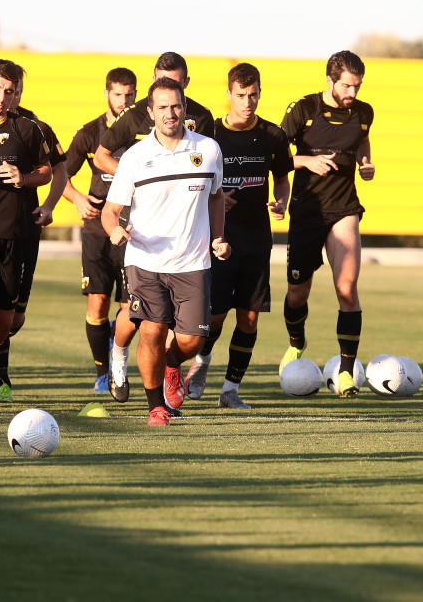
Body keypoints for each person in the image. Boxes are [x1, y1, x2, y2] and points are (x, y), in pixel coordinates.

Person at [101, 77, 228, 427]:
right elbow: (110, 211)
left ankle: (172, 365)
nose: (170, 113)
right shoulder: (135, 157)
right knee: (152, 330)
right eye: (162, 107)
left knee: (192, 341)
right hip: (144, 260)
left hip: (193, 261)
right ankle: (156, 405)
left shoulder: (209, 150)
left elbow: (216, 197)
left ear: (184, 108)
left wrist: (219, 236)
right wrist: (114, 229)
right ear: (150, 112)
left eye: (175, 106)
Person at [0, 64, 67, 401]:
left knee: (9, 319)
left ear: (19, 91)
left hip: (17, 234)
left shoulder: (33, 128)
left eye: (11, 90)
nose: (4, 97)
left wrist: (36, 193)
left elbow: (53, 172)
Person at [187, 63, 292, 409]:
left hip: (257, 241)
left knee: (249, 317)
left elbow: (280, 176)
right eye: (242, 95)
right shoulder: (210, 134)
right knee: (214, 316)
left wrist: (281, 202)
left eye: (254, 95)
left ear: (261, 93)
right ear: (229, 94)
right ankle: (201, 361)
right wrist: (215, 198)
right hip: (218, 241)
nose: (248, 102)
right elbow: (194, 181)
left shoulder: (274, 136)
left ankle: (230, 390)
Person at [278, 50, 376, 398]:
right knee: (296, 294)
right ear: (330, 80)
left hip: (344, 208)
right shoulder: (302, 110)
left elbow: (362, 140)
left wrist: (366, 164)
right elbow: (275, 155)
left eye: (357, 86)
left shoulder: (364, 113)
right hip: (306, 211)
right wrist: (306, 161)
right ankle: (296, 341)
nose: (352, 93)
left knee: (347, 288)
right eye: (347, 85)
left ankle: (347, 373)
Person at [63, 68, 137, 393]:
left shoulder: (143, 134)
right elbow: (58, 175)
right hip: (96, 228)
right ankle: (102, 374)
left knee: (129, 307)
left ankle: (118, 357)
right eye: (118, 94)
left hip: (132, 230)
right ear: (107, 93)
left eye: (129, 95)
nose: (123, 101)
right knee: (97, 302)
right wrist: (78, 198)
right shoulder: (89, 133)